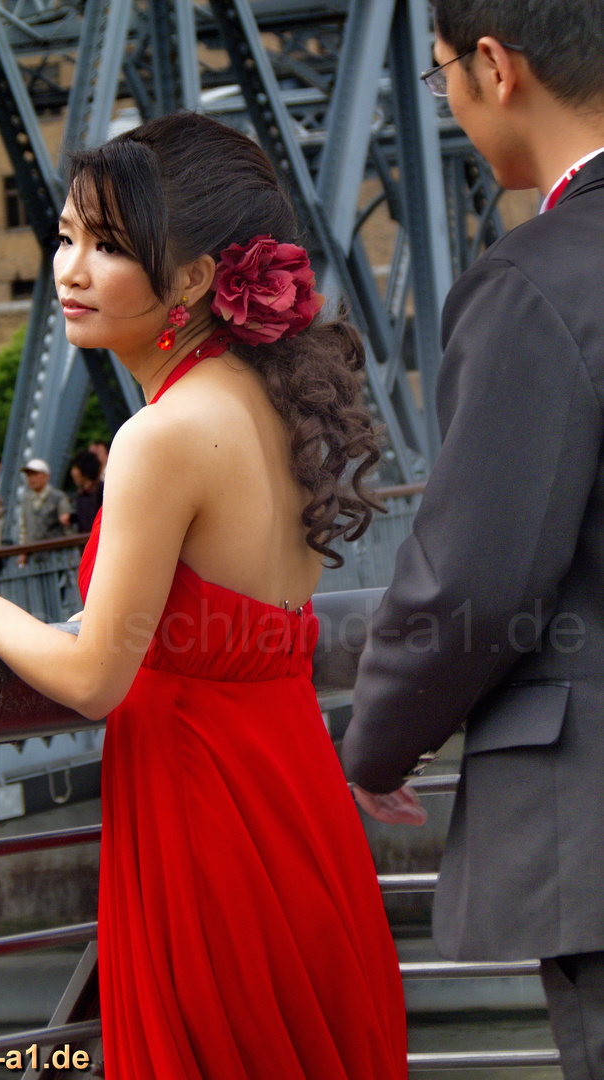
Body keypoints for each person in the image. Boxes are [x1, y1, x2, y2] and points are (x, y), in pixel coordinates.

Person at [0, 111, 409, 1079]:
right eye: (66, 235)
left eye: (106, 245)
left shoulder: (160, 437)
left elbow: (97, 674)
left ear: (192, 280)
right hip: (298, 813)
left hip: (202, 836)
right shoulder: (274, 407)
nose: (69, 268)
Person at [340, 3, 604, 1076]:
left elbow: (475, 582)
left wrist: (378, 738)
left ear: (497, 67)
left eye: (444, 70)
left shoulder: (538, 280)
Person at [17, 458, 72, 568]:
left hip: (57, 556)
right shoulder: (26, 500)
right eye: (29, 475)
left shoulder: (59, 497)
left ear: (46, 476)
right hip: (34, 557)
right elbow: (23, 528)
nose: (31, 479)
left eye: (35, 474)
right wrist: (22, 551)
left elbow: (67, 524)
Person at [65, 450, 103, 536]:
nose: (73, 472)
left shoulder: (101, 490)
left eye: (75, 468)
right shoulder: (80, 493)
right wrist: (71, 518)